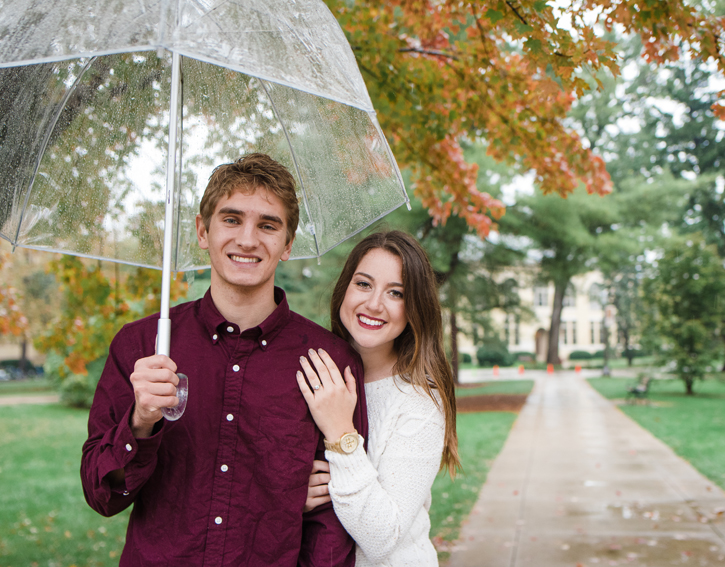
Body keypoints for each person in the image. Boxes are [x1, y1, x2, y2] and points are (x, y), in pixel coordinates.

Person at [80, 153, 367, 566]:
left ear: (287, 245)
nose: (248, 239)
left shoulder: (328, 362)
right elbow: (101, 495)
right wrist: (140, 422)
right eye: (231, 219)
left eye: (268, 225)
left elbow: (332, 521)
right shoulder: (142, 345)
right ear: (203, 231)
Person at [295, 230, 459, 566]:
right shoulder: (316, 373)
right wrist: (292, 493)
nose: (374, 304)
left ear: (415, 307)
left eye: (396, 293)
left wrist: (341, 433)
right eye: (364, 284)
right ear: (345, 289)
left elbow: (382, 536)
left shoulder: (419, 402)